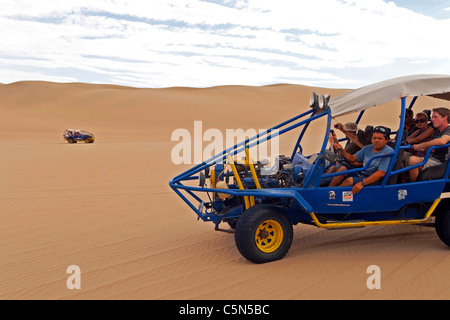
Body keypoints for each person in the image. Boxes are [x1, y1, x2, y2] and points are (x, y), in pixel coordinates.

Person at [329, 126, 394, 194]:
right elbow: (352, 158)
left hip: (373, 179)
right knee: (343, 169)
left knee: (349, 180)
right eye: (374, 138)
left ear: (386, 140)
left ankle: (334, 194)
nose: (376, 140)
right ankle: (328, 189)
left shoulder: (388, 152)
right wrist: (342, 149)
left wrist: (362, 183)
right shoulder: (367, 148)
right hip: (363, 174)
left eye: (379, 138)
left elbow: (381, 173)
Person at [407, 107, 450, 182]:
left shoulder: (448, 129)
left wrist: (420, 146)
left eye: (435, 117)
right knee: (403, 158)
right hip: (432, 157)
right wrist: (422, 149)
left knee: (412, 160)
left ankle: (412, 186)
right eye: (432, 117)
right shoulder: (437, 131)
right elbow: (433, 148)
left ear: (445, 118)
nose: (432, 119)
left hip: (441, 162)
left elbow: (442, 141)